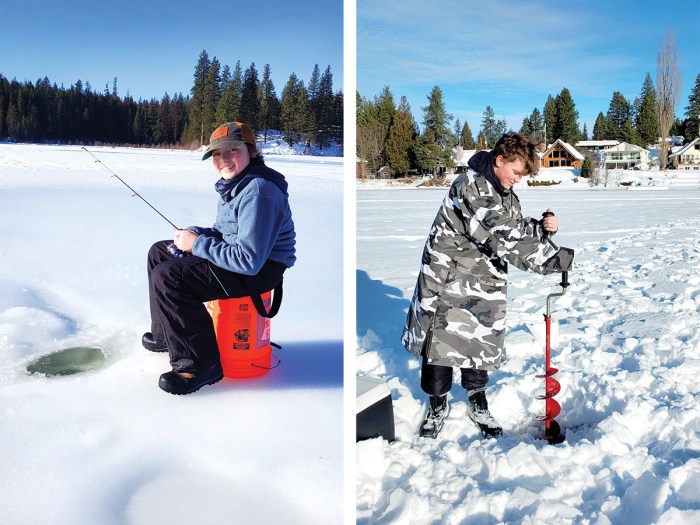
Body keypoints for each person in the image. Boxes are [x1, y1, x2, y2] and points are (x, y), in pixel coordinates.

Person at [401, 132, 574, 438]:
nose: (518, 180)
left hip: (483, 281)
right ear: (499, 161)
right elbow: (501, 234)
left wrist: (541, 227)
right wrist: (553, 260)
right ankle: (437, 404)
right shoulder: (469, 185)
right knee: (440, 347)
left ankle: (477, 401)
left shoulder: (504, 191)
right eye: (516, 172)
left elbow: (516, 226)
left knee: (479, 342)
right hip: (449, 278)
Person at [143, 122, 296, 395]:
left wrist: (198, 245)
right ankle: (167, 335)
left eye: (232, 151)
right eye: (216, 154)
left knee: (169, 276)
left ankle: (200, 365)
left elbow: (248, 261)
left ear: (251, 151)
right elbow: (226, 233)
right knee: (160, 251)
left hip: (259, 270)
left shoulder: (259, 192)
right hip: (244, 260)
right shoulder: (236, 184)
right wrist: (195, 235)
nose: (223, 160)